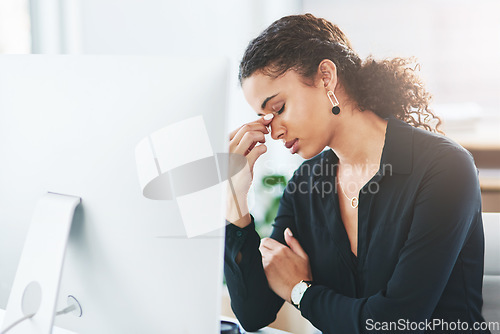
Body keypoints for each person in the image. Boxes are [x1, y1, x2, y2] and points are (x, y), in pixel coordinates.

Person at [224, 13, 489, 334]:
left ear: (326, 77)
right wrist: (236, 204)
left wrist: (300, 290)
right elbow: (254, 313)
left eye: (278, 108)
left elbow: (395, 322)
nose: (274, 131)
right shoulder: (307, 185)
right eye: (264, 118)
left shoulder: (444, 168)